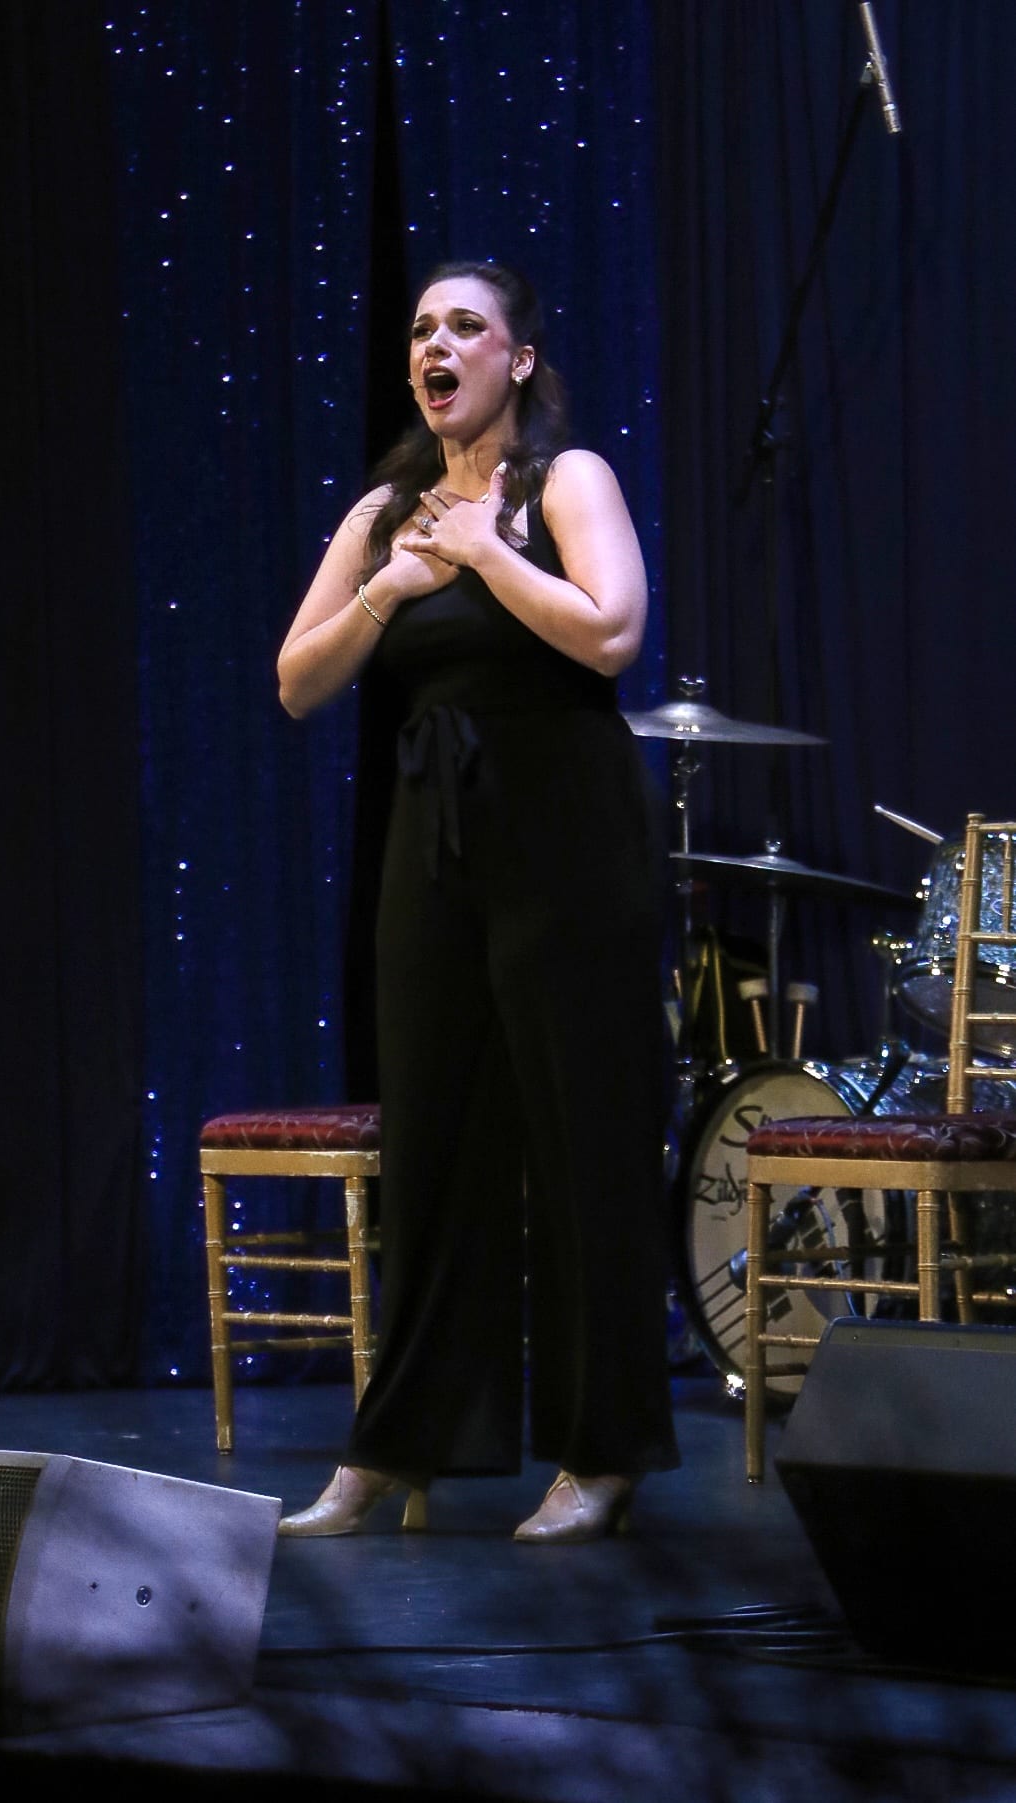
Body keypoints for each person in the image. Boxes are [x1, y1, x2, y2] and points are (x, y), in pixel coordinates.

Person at [276, 260, 678, 1542]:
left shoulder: (565, 480)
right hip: (435, 841)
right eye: (419, 331)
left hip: (567, 837)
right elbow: (296, 680)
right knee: (432, 1144)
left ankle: (599, 1451)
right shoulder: (385, 512)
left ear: (517, 359)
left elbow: (611, 634)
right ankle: (396, 1446)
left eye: (463, 327)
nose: (432, 347)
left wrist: (485, 556)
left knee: (581, 1140)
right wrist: (394, 583)